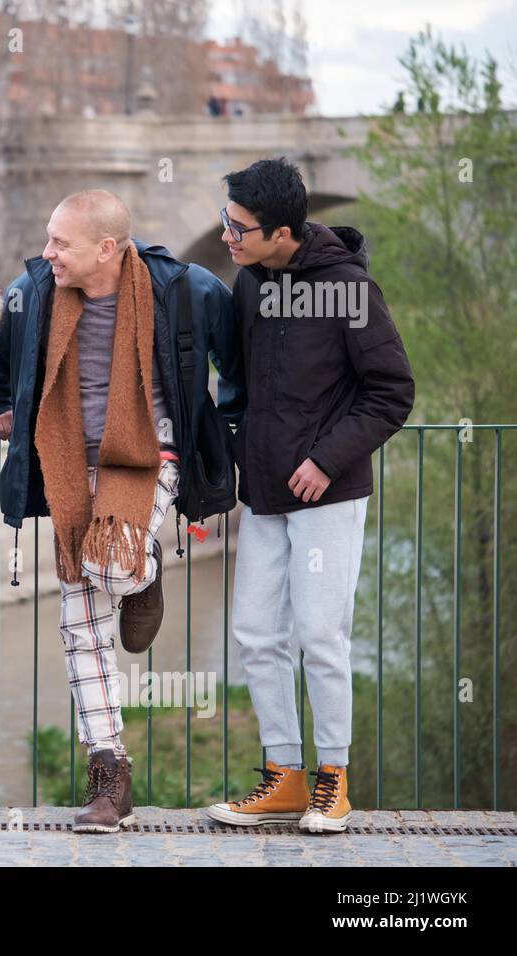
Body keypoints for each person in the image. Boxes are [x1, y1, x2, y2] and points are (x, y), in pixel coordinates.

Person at [0, 190, 243, 833]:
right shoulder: (35, 292)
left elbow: (237, 365)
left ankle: (142, 572)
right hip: (69, 464)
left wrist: (227, 434)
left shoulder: (187, 288)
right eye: (47, 239)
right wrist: (1, 412)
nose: (46, 254)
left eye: (59, 243)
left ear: (107, 247)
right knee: (80, 622)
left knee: (111, 566)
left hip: (152, 458)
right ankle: (109, 774)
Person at [206, 158, 414, 834]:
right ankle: (285, 779)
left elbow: (392, 392)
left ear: (283, 232)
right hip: (262, 490)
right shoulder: (248, 284)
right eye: (226, 222)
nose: (228, 237)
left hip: (328, 494)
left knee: (320, 635)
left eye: (239, 229)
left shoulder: (352, 290)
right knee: (256, 635)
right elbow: (239, 383)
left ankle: (334, 782)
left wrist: (326, 458)